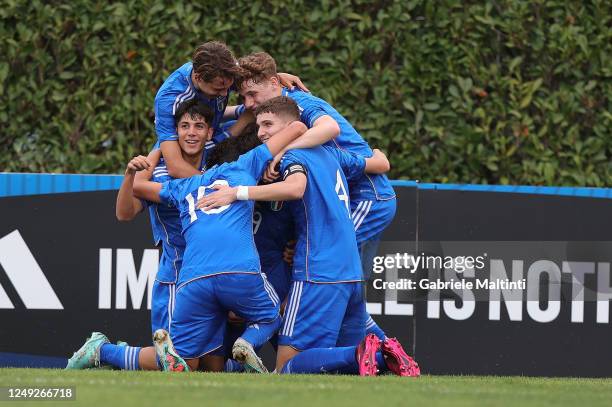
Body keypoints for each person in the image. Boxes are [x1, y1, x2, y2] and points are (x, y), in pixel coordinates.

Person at [199, 97, 419, 376]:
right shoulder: (331, 153)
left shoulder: (290, 157)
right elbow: (378, 163)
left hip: (318, 269)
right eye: (258, 126)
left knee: (287, 368)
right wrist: (377, 154)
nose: (262, 132)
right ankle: (385, 351)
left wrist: (237, 192)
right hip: (350, 268)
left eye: (268, 124)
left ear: (293, 126)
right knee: (343, 362)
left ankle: (374, 354)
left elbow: (295, 188)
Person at [126, 113, 309, 373]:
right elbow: (298, 127)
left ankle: (166, 354)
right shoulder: (246, 165)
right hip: (238, 271)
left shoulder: (183, 186)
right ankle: (246, 343)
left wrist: (160, 146)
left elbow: (140, 186)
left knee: (187, 363)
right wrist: (276, 156)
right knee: (272, 316)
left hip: (191, 280)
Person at [236, 51, 396, 342]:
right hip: (349, 196)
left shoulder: (302, 103)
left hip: (367, 198)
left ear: (274, 83)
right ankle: (383, 353)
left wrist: (284, 151)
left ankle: (318, 347)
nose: (248, 104)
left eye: (251, 94)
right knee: (345, 284)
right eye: (244, 97)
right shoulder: (276, 104)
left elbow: (330, 127)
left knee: (322, 266)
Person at [65, 99, 212, 371]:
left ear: (210, 132)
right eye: (184, 126)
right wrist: (130, 175)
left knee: (210, 365)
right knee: (178, 362)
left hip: (211, 274)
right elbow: (125, 213)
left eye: (199, 126)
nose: (191, 132)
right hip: (177, 275)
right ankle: (103, 351)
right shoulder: (154, 172)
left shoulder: (219, 161)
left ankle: (115, 354)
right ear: (174, 132)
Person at [155, 41, 307, 179]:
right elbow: (174, 166)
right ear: (198, 77)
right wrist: (223, 185)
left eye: (229, 87)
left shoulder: (227, 70)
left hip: (216, 135)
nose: (225, 93)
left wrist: (274, 77)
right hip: (184, 155)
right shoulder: (169, 99)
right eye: (219, 88)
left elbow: (256, 82)